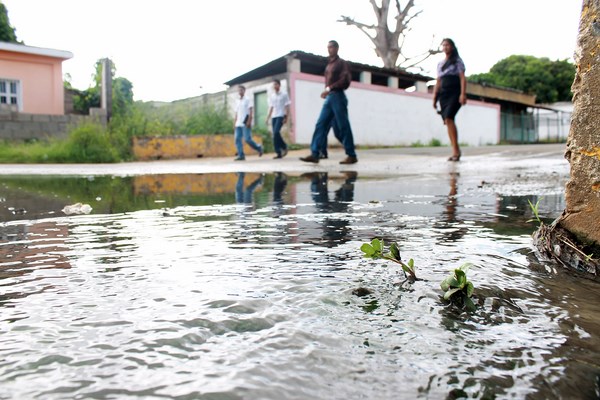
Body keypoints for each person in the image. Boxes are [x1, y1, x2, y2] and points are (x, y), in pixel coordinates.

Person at [300, 40, 358, 164]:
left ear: (337, 48)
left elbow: (346, 81)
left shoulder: (342, 63)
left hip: (338, 96)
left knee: (343, 126)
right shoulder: (328, 65)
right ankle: (315, 153)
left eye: (331, 47)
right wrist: (327, 91)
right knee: (320, 124)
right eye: (328, 47)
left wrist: (329, 88)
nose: (329, 49)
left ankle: (351, 154)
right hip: (329, 98)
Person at [432, 38, 467, 162]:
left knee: (449, 118)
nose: (445, 47)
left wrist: (462, 94)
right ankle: (455, 150)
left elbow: (462, 78)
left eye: (447, 45)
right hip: (444, 94)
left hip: (455, 91)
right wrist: (434, 97)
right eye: (443, 45)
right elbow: (438, 81)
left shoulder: (457, 61)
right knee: (447, 121)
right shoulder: (440, 64)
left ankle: (456, 151)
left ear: (452, 46)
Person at [233, 85, 263, 161]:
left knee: (247, 139)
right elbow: (236, 113)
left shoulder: (247, 99)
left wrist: (249, 121)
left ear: (244, 91)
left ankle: (258, 147)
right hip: (238, 123)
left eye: (241, 90)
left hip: (245, 123)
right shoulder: (237, 101)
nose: (240, 92)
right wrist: (234, 123)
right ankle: (241, 155)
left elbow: (250, 111)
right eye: (239, 90)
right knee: (237, 139)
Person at [265, 79, 291, 159]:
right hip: (274, 116)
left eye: (276, 84)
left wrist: (286, 117)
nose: (275, 86)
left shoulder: (284, 94)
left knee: (276, 132)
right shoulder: (272, 96)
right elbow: (271, 107)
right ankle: (278, 153)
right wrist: (268, 117)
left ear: (279, 85)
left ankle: (284, 146)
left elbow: (287, 106)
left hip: (281, 115)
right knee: (275, 135)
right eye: (274, 85)